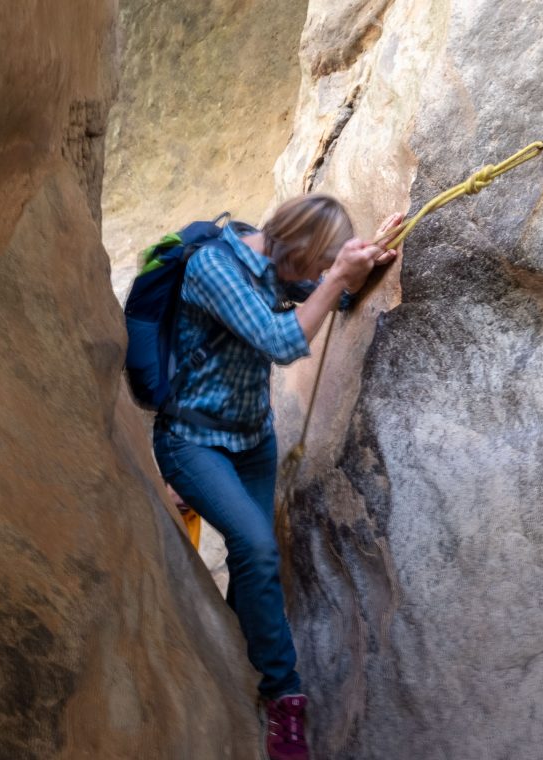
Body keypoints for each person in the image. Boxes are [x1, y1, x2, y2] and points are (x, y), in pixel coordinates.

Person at [153, 194, 402, 760]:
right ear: (293, 246)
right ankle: (285, 698)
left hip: (252, 442)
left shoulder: (277, 266)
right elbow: (282, 341)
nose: (315, 276)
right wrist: (336, 274)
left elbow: (321, 298)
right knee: (259, 550)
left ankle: (237, 657)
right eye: (315, 263)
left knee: (250, 566)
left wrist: (360, 264)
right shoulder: (214, 265)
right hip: (192, 442)